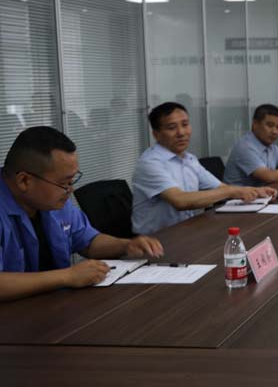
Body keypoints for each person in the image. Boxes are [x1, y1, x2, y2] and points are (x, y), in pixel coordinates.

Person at [0, 127, 164, 302]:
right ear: (24, 181)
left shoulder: (52, 201)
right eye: (64, 183)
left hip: (54, 305)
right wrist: (67, 276)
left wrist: (126, 245)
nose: (70, 190)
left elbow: (89, 241)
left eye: (72, 180)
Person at [132, 103, 276, 235]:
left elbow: (222, 188)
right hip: (155, 241)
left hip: (187, 231)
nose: (181, 132)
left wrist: (255, 191)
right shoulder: (150, 163)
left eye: (185, 124)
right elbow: (180, 200)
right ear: (156, 134)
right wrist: (233, 191)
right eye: (171, 128)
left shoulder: (189, 159)